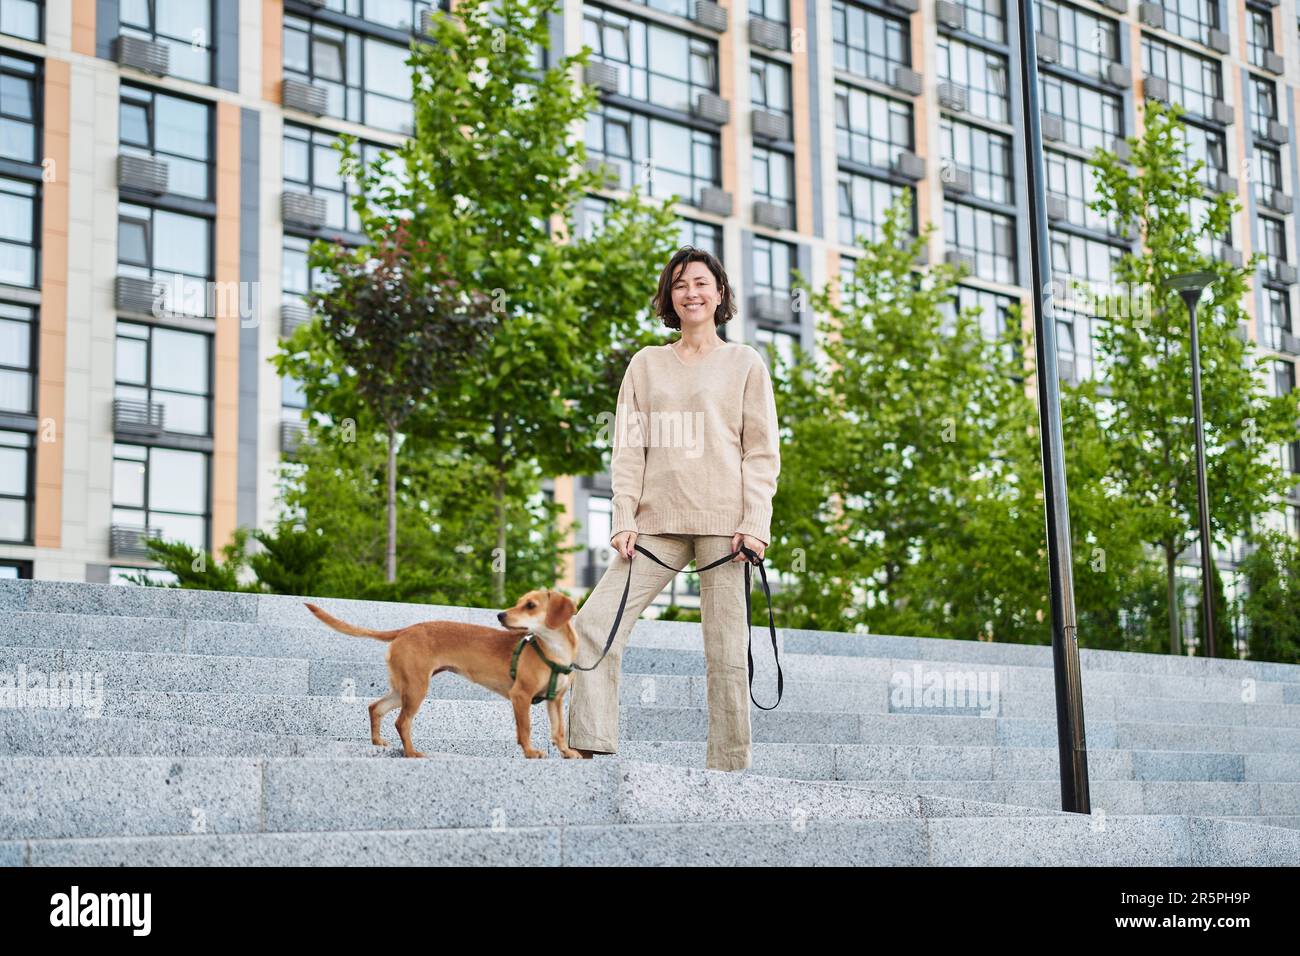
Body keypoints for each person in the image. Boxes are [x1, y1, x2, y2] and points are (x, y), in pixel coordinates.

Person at [566, 246, 781, 771]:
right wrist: (623, 516)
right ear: (669, 297)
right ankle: (591, 743)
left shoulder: (745, 363)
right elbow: (628, 448)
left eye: (701, 283)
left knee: (726, 651)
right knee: (593, 624)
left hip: (726, 529)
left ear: (720, 293)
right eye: (680, 284)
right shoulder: (646, 364)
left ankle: (728, 770)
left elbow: (761, 451)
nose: (691, 293)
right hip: (655, 526)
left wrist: (755, 523)